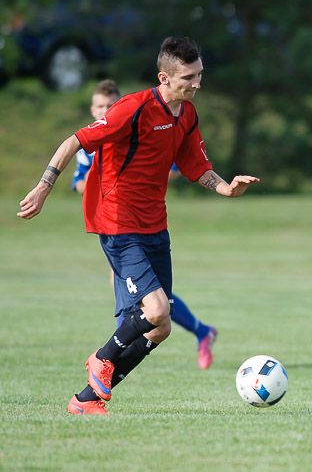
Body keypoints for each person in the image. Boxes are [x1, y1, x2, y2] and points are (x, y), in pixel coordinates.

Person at [18, 36, 258, 415]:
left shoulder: (187, 114)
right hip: (117, 221)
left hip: (155, 226)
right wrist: (44, 187)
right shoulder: (132, 109)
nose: (197, 83)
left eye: (199, 75)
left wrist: (228, 189)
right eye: (189, 77)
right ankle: (101, 357)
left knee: (160, 328)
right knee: (158, 309)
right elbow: (74, 141)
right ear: (164, 77)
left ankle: (86, 400)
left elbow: (196, 165)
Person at [73, 79, 219, 370]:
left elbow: (175, 165)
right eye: (99, 106)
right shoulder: (89, 146)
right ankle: (197, 332)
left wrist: (139, 179)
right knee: (146, 299)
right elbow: (78, 181)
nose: (104, 110)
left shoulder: (138, 126)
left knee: (148, 299)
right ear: (92, 109)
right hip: (110, 218)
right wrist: (98, 182)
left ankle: (111, 357)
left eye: (109, 105)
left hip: (141, 221)